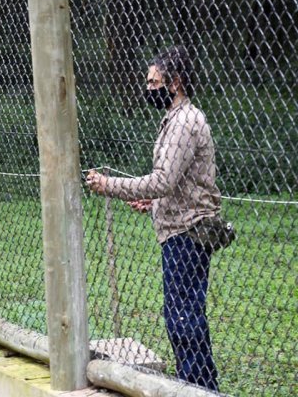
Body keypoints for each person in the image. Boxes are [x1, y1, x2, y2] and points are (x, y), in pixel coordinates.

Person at [86, 45, 220, 392]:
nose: (149, 88)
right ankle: (196, 384)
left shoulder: (185, 122)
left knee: (183, 316)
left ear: (174, 82)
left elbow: (163, 179)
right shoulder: (176, 119)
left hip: (188, 232)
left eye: (154, 82)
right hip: (179, 227)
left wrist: (108, 185)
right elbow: (176, 182)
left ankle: (197, 386)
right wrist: (154, 201)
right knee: (181, 314)